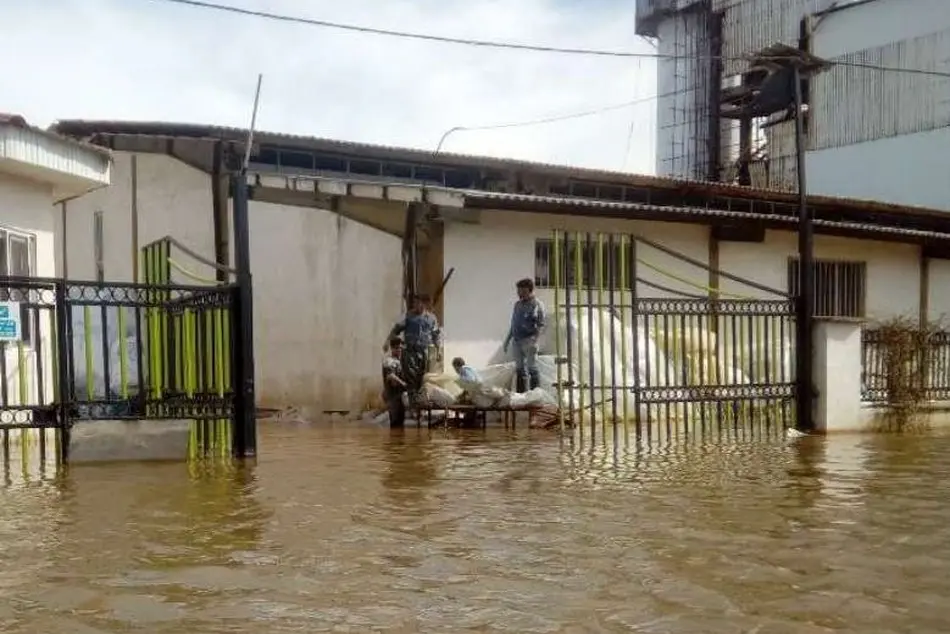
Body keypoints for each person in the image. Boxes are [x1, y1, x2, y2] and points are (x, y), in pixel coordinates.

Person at [386, 294, 442, 405]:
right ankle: (413, 402)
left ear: (424, 304)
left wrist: (438, 350)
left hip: (424, 351)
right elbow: (396, 329)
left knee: (423, 376)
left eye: (418, 303)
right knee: (411, 376)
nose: (416, 306)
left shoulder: (431, 318)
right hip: (410, 351)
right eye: (414, 303)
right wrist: (387, 342)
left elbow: (436, 335)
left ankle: (421, 400)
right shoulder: (408, 316)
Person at [502, 278, 546, 393]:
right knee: (520, 369)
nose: (518, 293)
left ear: (528, 290)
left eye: (521, 290)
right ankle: (521, 395)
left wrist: (535, 341)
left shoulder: (536, 304)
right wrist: (507, 341)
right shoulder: (517, 305)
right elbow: (513, 324)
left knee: (532, 368)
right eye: (518, 290)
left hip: (529, 340)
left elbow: (541, 324)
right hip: (516, 341)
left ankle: (536, 394)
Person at [382, 337, 408, 427]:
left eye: (400, 348)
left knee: (400, 425)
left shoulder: (399, 361)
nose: (399, 350)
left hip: (399, 397)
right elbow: (390, 376)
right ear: (392, 349)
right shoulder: (389, 361)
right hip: (393, 398)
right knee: (395, 425)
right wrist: (403, 383)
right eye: (397, 348)